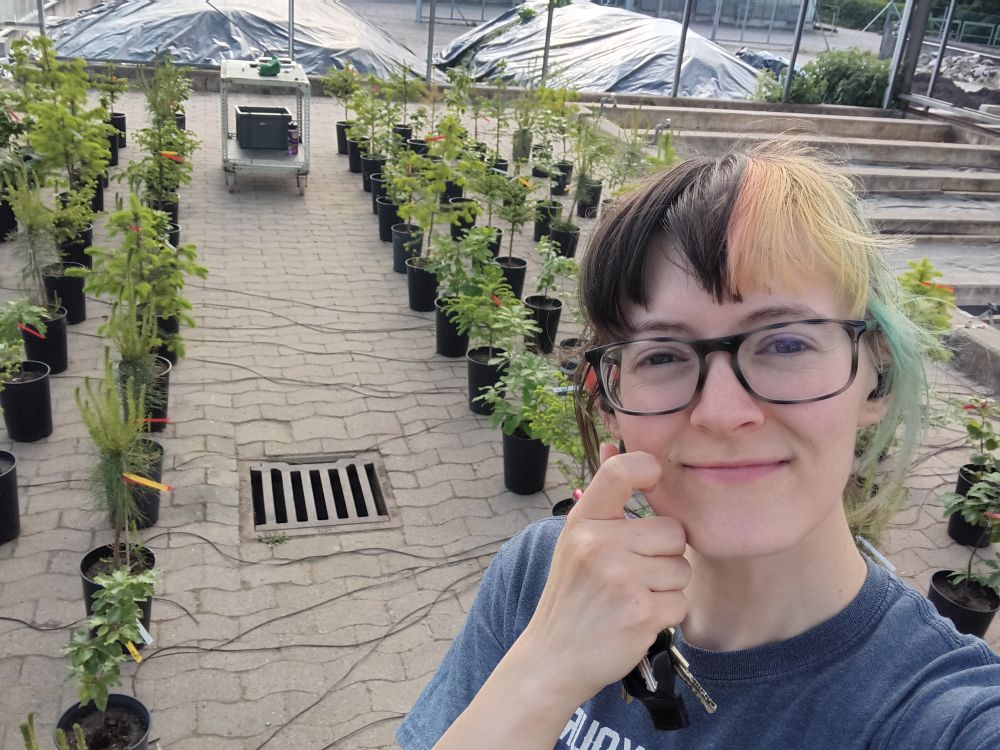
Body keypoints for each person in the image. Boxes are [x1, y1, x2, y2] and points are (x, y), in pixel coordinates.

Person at [395, 141, 1000, 749]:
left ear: (877, 378)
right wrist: (541, 674)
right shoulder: (541, 581)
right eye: (662, 355)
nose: (721, 413)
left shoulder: (939, 716)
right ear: (608, 400)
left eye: (785, 344)